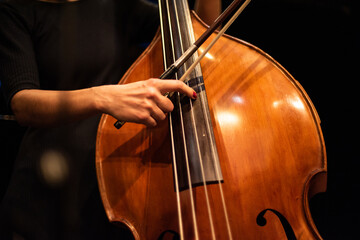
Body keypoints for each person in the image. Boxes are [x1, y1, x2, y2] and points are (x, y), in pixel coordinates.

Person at [0, 0, 221, 239]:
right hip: (46, 189)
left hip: (118, 182)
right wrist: (103, 96)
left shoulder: (116, 6)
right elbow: (22, 103)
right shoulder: (14, 9)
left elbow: (197, 36)